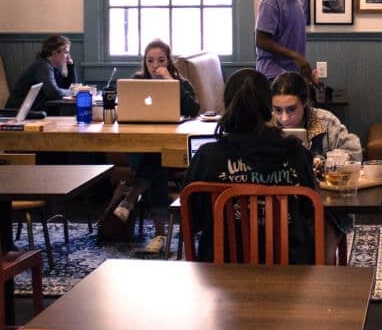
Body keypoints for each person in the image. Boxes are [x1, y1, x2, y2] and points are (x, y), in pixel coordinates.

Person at [185, 71, 324, 263]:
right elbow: (310, 211)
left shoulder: (206, 156)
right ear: (269, 108)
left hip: (220, 270)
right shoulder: (296, 153)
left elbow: (192, 220)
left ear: (227, 105)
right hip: (290, 270)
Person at [109, 39, 199, 254]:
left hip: (171, 150)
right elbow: (123, 110)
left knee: (156, 160)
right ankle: (159, 235)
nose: (154, 65)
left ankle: (132, 198)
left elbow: (194, 110)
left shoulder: (180, 83)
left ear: (169, 61)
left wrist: (170, 82)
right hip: (141, 148)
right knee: (154, 161)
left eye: (160, 60)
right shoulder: (136, 82)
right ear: (144, 61)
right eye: (150, 60)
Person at [271, 71, 361, 262]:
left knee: (321, 250)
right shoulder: (267, 126)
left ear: (305, 103)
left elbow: (354, 151)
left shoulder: (325, 121)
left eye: (291, 109)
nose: (284, 118)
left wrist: (328, 162)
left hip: (326, 207)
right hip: (277, 207)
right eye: (277, 110)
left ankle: (320, 286)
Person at [255, 0, 315, 83]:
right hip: (273, 76)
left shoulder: (297, 4)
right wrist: (295, 55)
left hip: (290, 76)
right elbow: (261, 40)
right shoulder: (271, 2)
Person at [5, 34, 78, 112]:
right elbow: (54, 93)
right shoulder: (43, 66)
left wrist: (71, 66)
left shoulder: (52, 67)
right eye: (66, 52)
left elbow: (68, 86)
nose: (68, 56)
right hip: (18, 113)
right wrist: (74, 92)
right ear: (54, 53)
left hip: (31, 111)